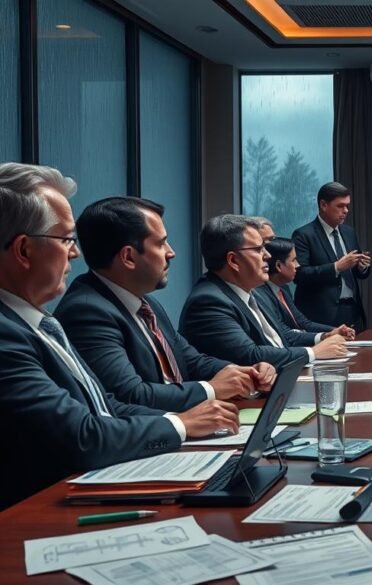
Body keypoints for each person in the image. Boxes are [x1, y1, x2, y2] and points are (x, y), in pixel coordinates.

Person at [0, 163, 238, 509]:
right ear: (24, 251)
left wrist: (189, 423)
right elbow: (83, 436)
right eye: (66, 239)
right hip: (41, 514)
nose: (75, 253)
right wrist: (180, 425)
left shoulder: (39, 322)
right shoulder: (8, 334)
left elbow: (104, 406)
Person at [55, 197, 276, 412]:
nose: (171, 252)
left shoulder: (145, 301)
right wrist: (210, 389)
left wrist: (243, 374)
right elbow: (130, 395)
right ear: (128, 257)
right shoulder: (87, 312)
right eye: (161, 243)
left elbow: (190, 360)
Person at [179, 214, 348, 367]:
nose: (267, 255)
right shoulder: (208, 302)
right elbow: (249, 355)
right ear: (233, 260)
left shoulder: (254, 290)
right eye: (259, 249)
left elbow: (282, 335)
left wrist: (322, 338)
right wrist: (314, 353)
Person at [291, 182, 371, 332]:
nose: (346, 211)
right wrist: (336, 267)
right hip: (322, 315)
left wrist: (362, 267)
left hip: (353, 311)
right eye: (340, 206)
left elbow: (359, 273)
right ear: (323, 205)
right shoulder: (303, 235)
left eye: (347, 206)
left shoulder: (348, 232)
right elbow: (299, 275)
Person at [259, 237, 355, 340]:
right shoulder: (261, 295)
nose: (298, 265)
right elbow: (284, 333)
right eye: (294, 260)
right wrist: (324, 336)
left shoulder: (283, 288)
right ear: (278, 266)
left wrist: (336, 330)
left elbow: (304, 323)